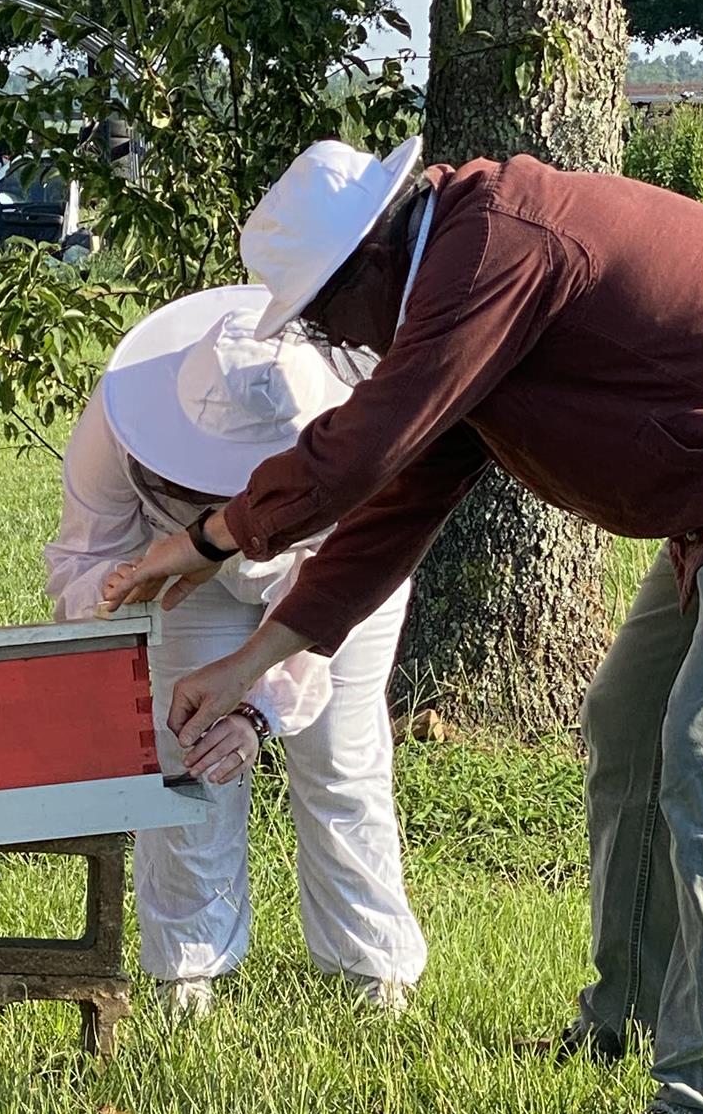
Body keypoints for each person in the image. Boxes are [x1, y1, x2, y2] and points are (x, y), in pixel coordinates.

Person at [100, 139, 703, 1114]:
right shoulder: (461, 287)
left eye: (326, 315)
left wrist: (209, 536)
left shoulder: (492, 247)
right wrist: (245, 666)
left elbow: (363, 445)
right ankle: (624, 1022)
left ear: (372, 260)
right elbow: (392, 503)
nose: (333, 343)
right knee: (630, 728)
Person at [46, 284, 426, 1016]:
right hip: (181, 582)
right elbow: (76, 559)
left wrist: (255, 710)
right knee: (188, 762)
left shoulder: (371, 423)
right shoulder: (117, 415)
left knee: (340, 761)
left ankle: (372, 971)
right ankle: (186, 973)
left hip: (336, 579)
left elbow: (334, 609)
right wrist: (123, 585)